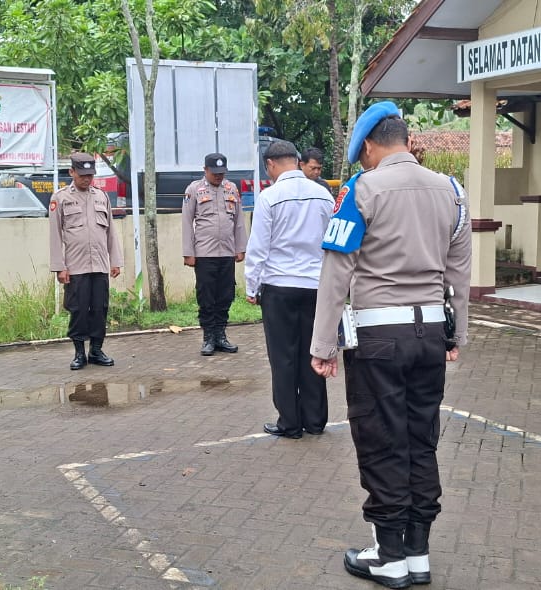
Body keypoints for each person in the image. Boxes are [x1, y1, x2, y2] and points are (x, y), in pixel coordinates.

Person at [309, 102, 471, 588]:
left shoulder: (361, 190)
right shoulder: (452, 191)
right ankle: (418, 553)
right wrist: (456, 334)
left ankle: (389, 556)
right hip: (430, 335)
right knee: (421, 440)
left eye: (361, 154)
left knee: (382, 441)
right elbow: (460, 274)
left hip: (378, 337)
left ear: (370, 146)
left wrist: (323, 344)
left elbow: (337, 271)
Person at [244, 140, 335, 439]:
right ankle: (316, 420)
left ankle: (290, 423)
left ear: (270, 165)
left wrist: (251, 286)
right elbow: (332, 242)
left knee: (283, 357)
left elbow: (258, 247)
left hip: (279, 287)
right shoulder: (323, 194)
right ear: (296, 161)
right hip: (315, 287)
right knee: (314, 351)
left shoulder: (269, 197)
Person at [50, 153, 123, 370]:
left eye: (90, 175)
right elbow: (55, 235)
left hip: (99, 264)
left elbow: (111, 231)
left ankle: (96, 350)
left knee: (100, 309)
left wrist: (115, 261)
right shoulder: (60, 198)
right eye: (82, 174)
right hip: (75, 266)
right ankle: (79, 353)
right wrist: (59, 267)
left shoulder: (101, 196)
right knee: (79, 310)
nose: (87, 179)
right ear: (71, 172)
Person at [182, 152, 248, 356]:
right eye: (214, 172)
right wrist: (188, 253)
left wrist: (240, 247)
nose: (219, 176)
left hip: (227, 252)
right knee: (207, 296)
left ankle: (221, 335)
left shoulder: (231, 188)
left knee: (226, 295)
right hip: (204, 253)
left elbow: (238, 220)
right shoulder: (194, 189)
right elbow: (186, 222)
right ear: (205, 170)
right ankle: (208, 337)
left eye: (222, 173)